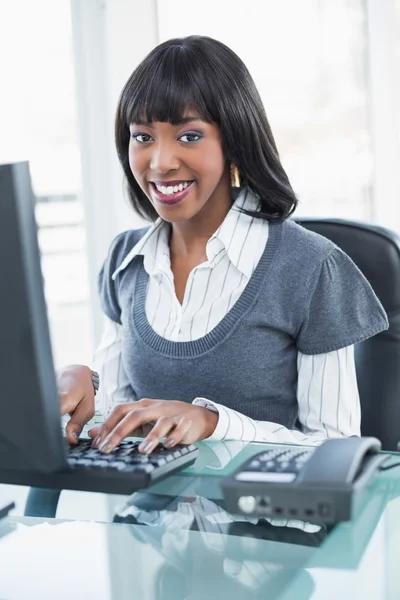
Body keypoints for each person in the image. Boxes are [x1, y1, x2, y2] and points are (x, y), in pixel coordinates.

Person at [59, 35, 388, 456]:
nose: (160, 162)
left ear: (234, 140)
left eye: (189, 136)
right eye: (143, 137)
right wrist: (83, 384)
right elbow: (116, 421)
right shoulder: (126, 261)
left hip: (265, 520)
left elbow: (337, 450)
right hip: (145, 519)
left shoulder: (311, 268)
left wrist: (214, 423)